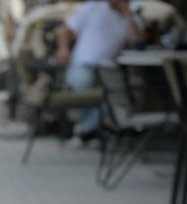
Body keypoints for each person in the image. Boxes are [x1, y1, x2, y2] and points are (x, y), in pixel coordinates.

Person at [57, 0, 144, 139]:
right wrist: (64, 50)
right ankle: (88, 130)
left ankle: (85, 129)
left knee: (114, 97)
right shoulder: (92, 8)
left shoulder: (133, 19)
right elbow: (66, 30)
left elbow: (138, 44)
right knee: (83, 83)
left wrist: (127, 13)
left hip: (109, 67)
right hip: (82, 63)